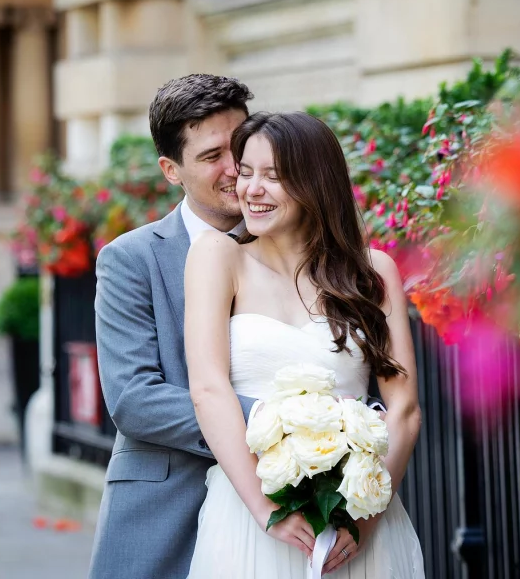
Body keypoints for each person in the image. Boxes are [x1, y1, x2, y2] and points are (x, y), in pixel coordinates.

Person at [185, 112, 425, 577]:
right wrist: (266, 512)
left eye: (272, 177)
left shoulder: (373, 272)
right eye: (246, 172)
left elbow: (404, 409)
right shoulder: (218, 257)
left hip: (357, 524)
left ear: (316, 183)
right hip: (252, 520)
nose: (251, 189)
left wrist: (365, 521)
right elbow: (208, 388)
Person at [88, 74, 259, 579]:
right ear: (171, 170)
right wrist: (281, 423)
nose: (235, 170)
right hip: (167, 510)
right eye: (211, 157)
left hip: (287, 509)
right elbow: (135, 400)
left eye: (241, 147)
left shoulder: (295, 251)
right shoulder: (129, 260)